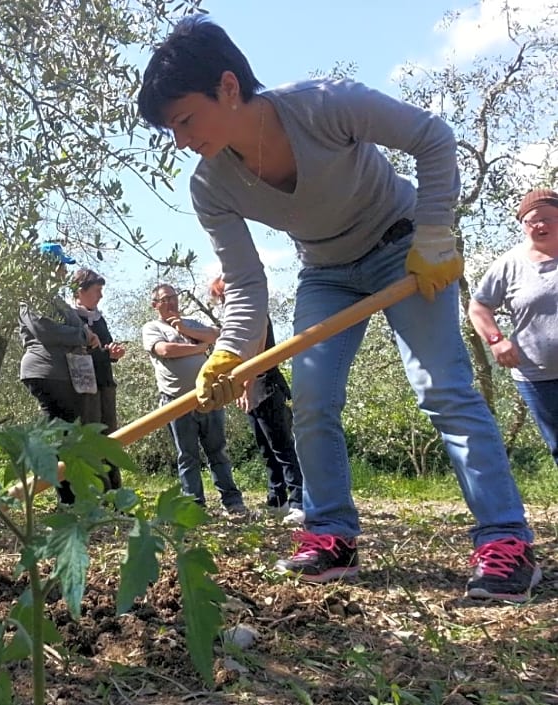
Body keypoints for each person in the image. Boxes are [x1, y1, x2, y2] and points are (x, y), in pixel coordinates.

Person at [137, 16, 540, 601]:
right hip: (325, 272)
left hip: (404, 249)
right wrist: (227, 354)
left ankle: (506, 541)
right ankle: (331, 537)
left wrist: (432, 234)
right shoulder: (210, 187)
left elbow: (434, 136)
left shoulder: (326, 104)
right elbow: (247, 282)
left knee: (443, 388)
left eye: (184, 120)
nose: (180, 139)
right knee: (314, 402)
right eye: (170, 129)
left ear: (227, 86)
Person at [141, 283, 251, 518]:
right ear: (155, 305)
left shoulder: (191, 323)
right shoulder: (152, 327)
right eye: (164, 299)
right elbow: (165, 350)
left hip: (208, 397)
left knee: (218, 452)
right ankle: (195, 507)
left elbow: (215, 335)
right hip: (176, 401)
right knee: (187, 456)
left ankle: (233, 502)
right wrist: (199, 348)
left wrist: (186, 330)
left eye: (173, 297)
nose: (171, 302)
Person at [469, 188, 558, 467]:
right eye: (533, 220)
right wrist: (496, 340)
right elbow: (479, 307)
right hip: (538, 377)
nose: (542, 225)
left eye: (550, 218)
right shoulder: (509, 264)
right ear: (523, 225)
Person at [208, 276, 304, 524]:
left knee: (282, 447)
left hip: (267, 387)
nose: (223, 301)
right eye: (221, 297)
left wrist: (246, 388)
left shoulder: (255, 315)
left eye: (224, 295)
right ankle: (277, 500)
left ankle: (299, 502)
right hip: (252, 390)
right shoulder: (235, 320)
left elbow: (258, 354)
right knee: (265, 448)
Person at [19, 242, 101, 504]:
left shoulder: (52, 299)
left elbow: (72, 327)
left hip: (63, 375)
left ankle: (70, 498)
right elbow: (45, 330)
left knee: (64, 434)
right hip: (45, 372)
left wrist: (89, 335)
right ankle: (63, 498)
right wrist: (80, 334)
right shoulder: (32, 296)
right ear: (47, 267)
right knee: (55, 435)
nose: (63, 272)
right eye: (60, 266)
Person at [72, 267, 127, 489]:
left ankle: (116, 491)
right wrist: (103, 352)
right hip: (85, 386)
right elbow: (77, 351)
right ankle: (98, 491)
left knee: (111, 436)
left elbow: (104, 348)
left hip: (105, 383)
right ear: (81, 291)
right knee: (93, 438)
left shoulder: (99, 319)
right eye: (97, 290)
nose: (101, 295)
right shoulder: (71, 317)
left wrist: (114, 353)